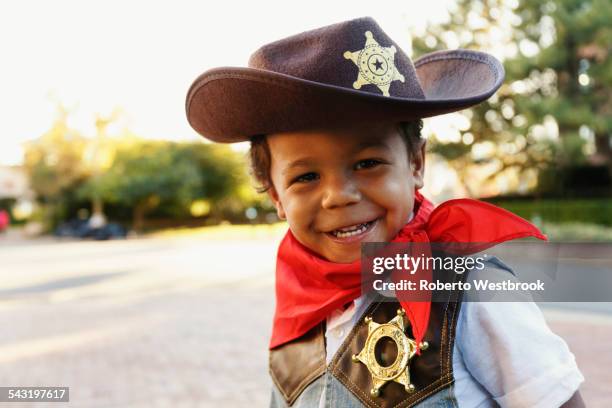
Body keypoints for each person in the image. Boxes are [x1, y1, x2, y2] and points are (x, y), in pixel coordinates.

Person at [185, 17, 584, 408]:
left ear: (415, 164)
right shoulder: (298, 312)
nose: (338, 196)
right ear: (275, 195)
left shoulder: (471, 290)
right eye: (306, 176)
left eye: (367, 163)